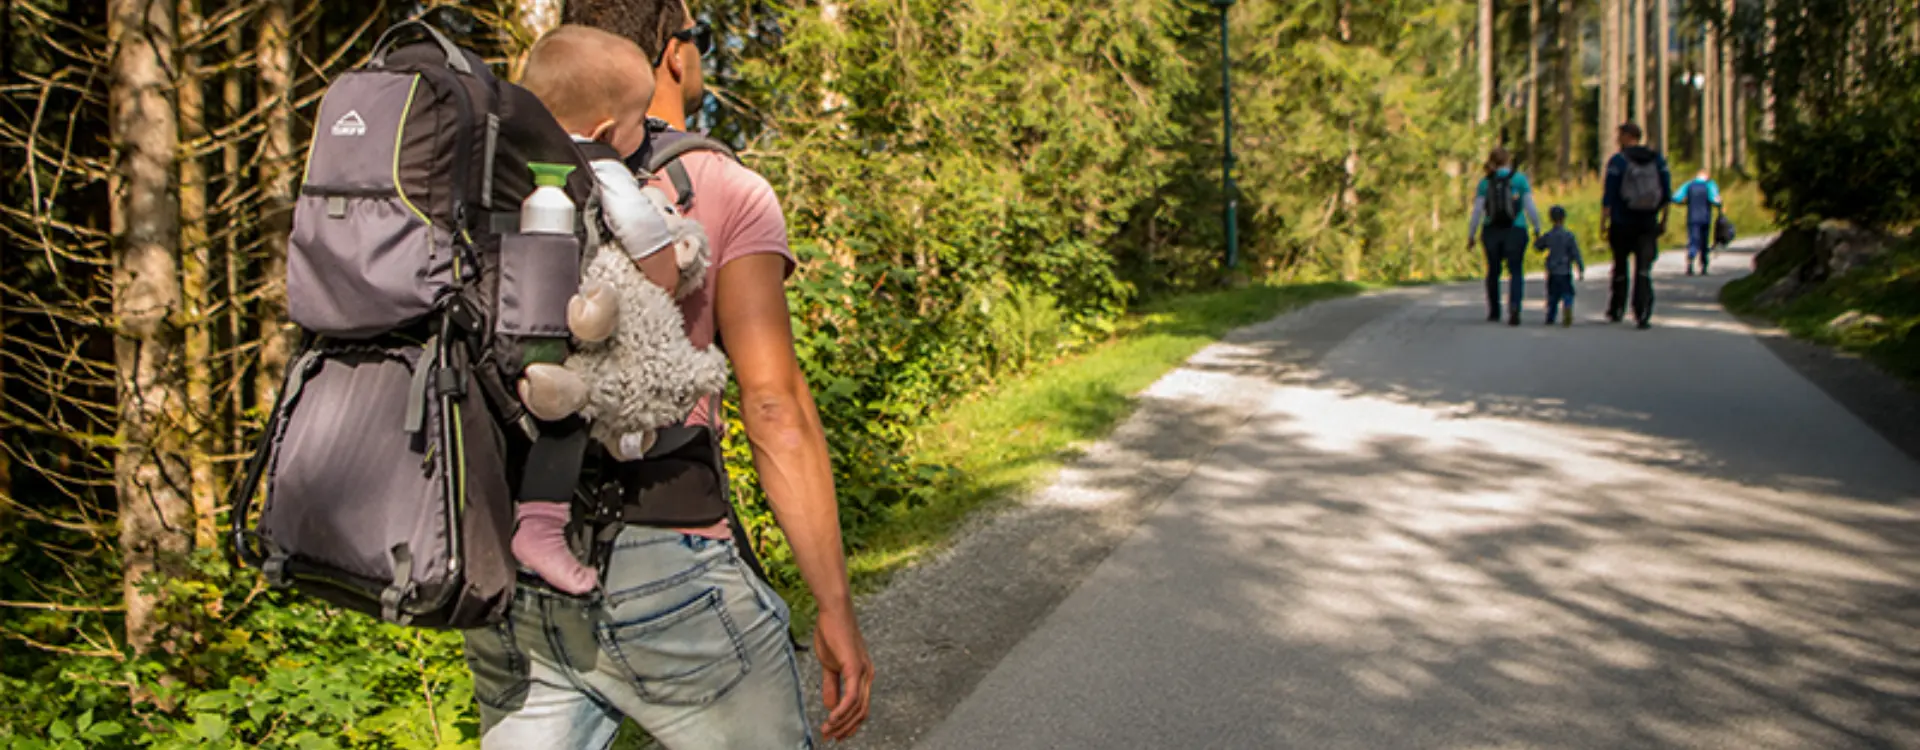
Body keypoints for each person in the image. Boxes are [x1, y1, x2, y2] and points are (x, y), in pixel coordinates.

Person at [464, 7, 875, 749]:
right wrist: (834, 603)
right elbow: (774, 405)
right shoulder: (721, 186)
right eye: (699, 35)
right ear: (673, 53)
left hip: (512, 572)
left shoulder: (500, 176)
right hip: (666, 557)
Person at [507, 25, 718, 596]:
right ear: (604, 129)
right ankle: (542, 529)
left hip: (514, 311)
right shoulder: (601, 164)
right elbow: (645, 235)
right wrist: (667, 276)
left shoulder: (510, 155)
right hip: (571, 322)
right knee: (573, 416)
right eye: (635, 121)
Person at [1601, 122, 1672, 329]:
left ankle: (1617, 308)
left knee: (1620, 265)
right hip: (1648, 221)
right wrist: (1663, 220)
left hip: (1622, 222)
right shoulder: (1657, 159)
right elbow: (1666, 193)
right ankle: (1643, 310)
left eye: (1619, 135)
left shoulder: (1618, 162)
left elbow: (1609, 195)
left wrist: (1604, 223)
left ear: (1626, 136)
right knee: (1643, 268)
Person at [1467, 147, 1543, 326]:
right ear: (1509, 161)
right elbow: (1529, 206)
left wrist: (1471, 234)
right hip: (1515, 229)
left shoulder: (1485, 183)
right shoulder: (1519, 179)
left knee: (1493, 271)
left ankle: (1494, 310)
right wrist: (1537, 227)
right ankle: (1515, 307)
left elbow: (1477, 211)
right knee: (1515, 270)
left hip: (1491, 230)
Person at [1535, 205, 1585, 327]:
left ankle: (1550, 316)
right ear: (1564, 218)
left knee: (1553, 295)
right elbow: (1575, 253)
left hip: (1552, 270)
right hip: (1565, 270)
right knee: (1567, 292)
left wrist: (1537, 236)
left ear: (1551, 219)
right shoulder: (1569, 236)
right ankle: (1567, 306)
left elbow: (1538, 247)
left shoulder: (1549, 235)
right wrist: (1580, 267)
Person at [1672, 169, 1723, 276]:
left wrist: (1686, 201)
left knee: (1693, 239)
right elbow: (1716, 200)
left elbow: (1676, 198)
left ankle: (1690, 262)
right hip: (1705, 217)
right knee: (1704, 241)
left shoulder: (1688, 185)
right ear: (1707, 176)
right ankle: (1703, 266)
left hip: (1692, 217)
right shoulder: (1709, 185)